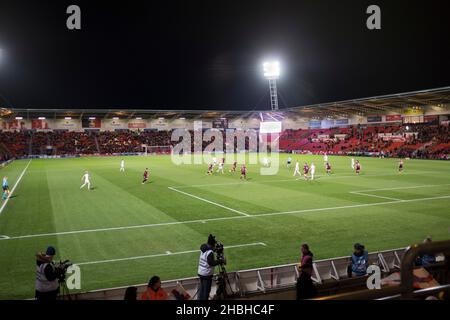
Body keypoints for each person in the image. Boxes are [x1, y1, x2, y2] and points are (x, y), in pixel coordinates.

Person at [198, 235, 223, 300]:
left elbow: (209, 250)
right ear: (212, 244)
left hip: (201, 272)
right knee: (206, 292)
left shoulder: (203, 248)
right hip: (206, 274)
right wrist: (220, 261)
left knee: (202, 290)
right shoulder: (210, 252)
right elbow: (211, 263)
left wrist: (213, 249)